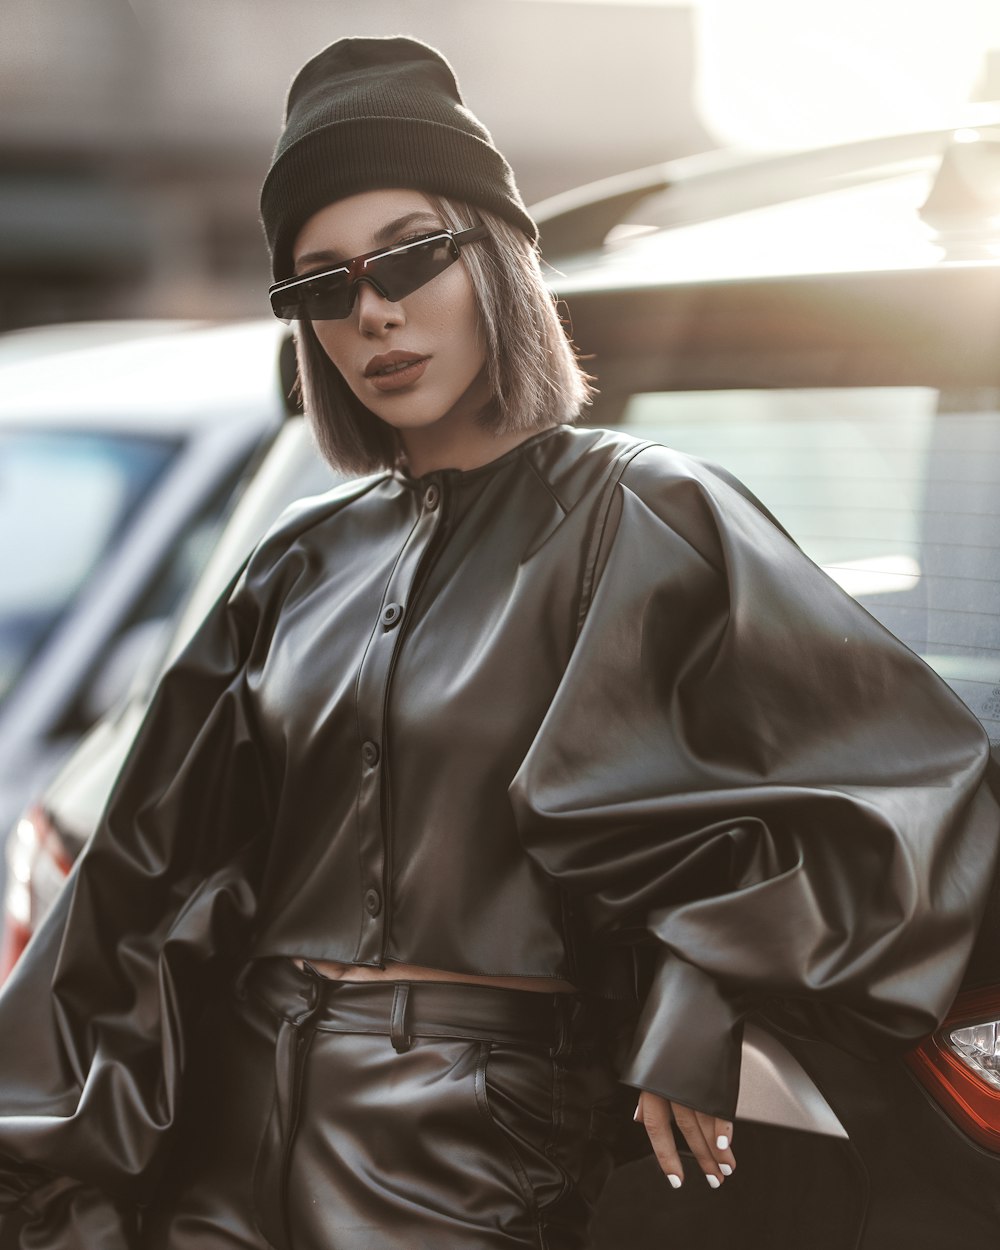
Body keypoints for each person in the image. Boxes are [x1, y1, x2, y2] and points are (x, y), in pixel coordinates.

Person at [0, 33, 997, 1250]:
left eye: (410, 257)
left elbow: (907, 788)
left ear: (498, 258)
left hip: (468, 1149)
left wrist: (705, 979)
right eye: (323, 285)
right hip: (226, 1137)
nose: (373, 311)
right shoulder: (296, 560)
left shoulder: (645, 513)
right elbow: (136, 893)